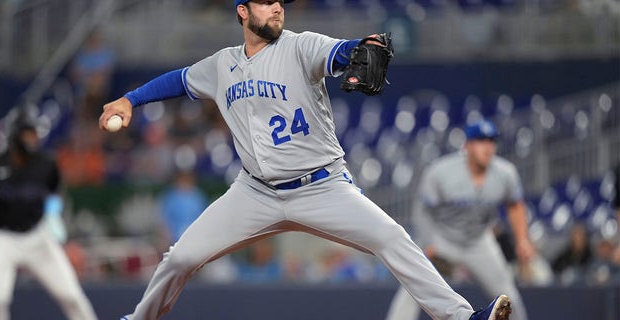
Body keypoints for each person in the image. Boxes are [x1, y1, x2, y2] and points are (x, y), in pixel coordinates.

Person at [98, 1, 513, 319]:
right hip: (254, 192)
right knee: (181, 258)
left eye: (280, 1)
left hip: (322, 186)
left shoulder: (300, 46)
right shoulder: (222, 64)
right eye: (265, 2)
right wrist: (130, 100)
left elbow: (340, 53)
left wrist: (359, 49)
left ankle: (461, 316)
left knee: (392, 238)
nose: (277, 6)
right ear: (243, 12)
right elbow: (180, 79)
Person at [385, 120, 534, 320]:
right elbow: (424, 210)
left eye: (491, 141)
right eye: (480, 141)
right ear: (467, 146)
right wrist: (428, 243)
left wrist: (522, 239)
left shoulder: (505, 173)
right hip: (442, 238)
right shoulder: (441, 171)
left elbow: (515, 205)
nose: (487, 147)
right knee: (413, 286)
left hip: (479, 241)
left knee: (508, 296)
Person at [0, 118, 97, 320]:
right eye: (28, 134)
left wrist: (53, 218)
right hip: (0, 236)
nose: (32, 139)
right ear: (15, 136)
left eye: (34, 134)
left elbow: (55, 192)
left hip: (36, 235)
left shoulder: (46, 163)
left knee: (72, 296)